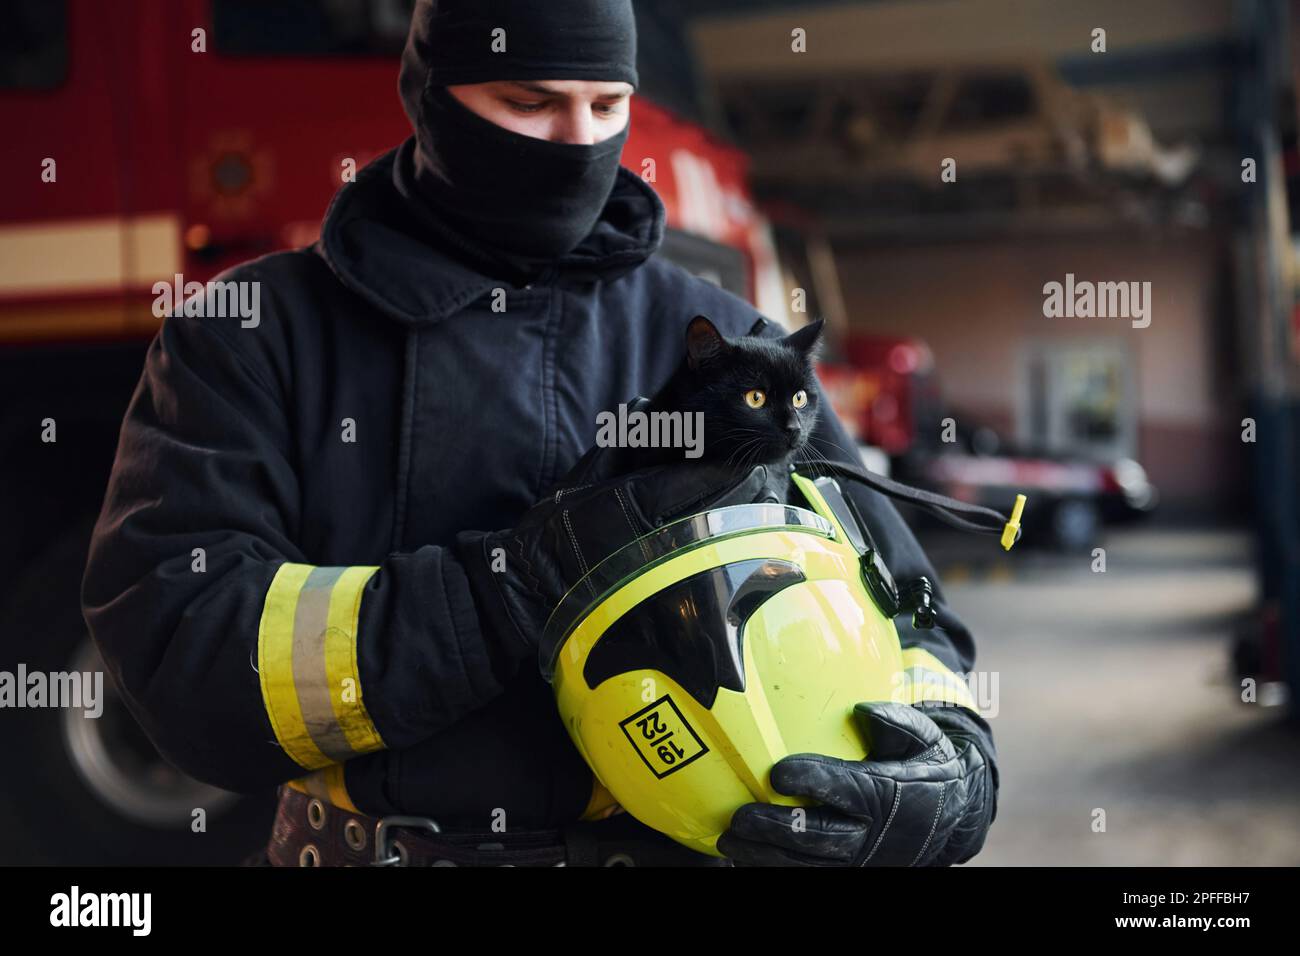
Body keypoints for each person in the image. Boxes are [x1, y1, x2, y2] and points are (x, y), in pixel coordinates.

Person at [81, 0, 998, 867]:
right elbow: (180, 657)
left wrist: (950, 769)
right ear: (430, 97)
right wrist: (500, 594)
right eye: (530, 102)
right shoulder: (253, 333)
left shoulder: (728, 348)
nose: (581, 140)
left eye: (609, 104)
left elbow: (911, 621)